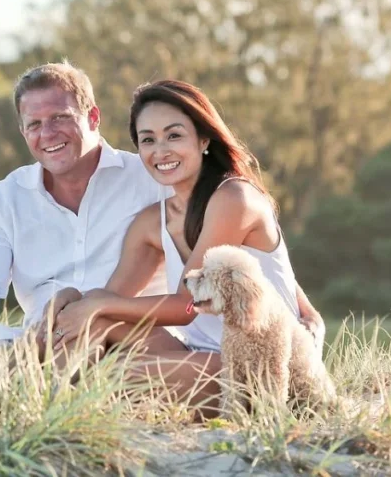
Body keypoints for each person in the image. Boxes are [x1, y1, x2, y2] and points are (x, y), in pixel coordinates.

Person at [44, 79, 326, 411]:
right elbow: (114, 300)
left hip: (254, 362)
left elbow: (186, 307)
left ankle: (50, 402)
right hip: (198, 353)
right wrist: (78, 303)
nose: (160, 151)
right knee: (96, 325)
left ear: (204, 139)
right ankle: (33, 394)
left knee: (111, 374)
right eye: (148, 140)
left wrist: (96, 304)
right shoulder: (152, 222)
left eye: (174, 135)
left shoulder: (233, 198)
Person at [0, 61, 171, 379]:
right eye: (34, 124)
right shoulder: (6, 197)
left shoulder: (151, 181)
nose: (47, 134)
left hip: (121, 339)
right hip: (36, 343)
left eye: (60, 118)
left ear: (93, 117)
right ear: (23, 131)